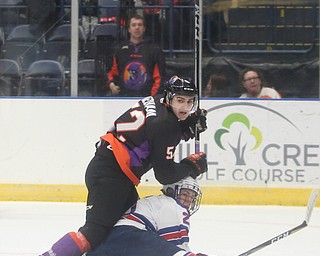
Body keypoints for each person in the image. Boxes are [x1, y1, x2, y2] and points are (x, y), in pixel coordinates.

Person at [40, 75, 208, 256]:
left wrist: (183, 127)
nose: (185, 107)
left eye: (190, 102)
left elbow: (150, 135)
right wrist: (192, 165)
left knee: (125, 230)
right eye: (180, 100)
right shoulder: (166, 125)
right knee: (94, 232)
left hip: (111, 171)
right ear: (169, 98)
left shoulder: (158, 102)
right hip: (112, 177)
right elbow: (165, 174)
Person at [87, 176, 209, 256]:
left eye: (192, 197)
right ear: (171, 190)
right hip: (132, 236)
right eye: (185, 194)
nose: (188, 200)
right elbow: (175, 245)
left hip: (111, 240)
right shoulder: (173, 206)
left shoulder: (157, 201)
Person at [106, 14, 166, 97]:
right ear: (129, 29)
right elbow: (112, 72)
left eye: (140, 25)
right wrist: (111, 84)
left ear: (144, 29)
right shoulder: (120, 50)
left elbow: (159, 79)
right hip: (123, 98)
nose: (137, 28)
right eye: (134, 25)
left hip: (146, 98)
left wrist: (151, 99)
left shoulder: (154, 50)